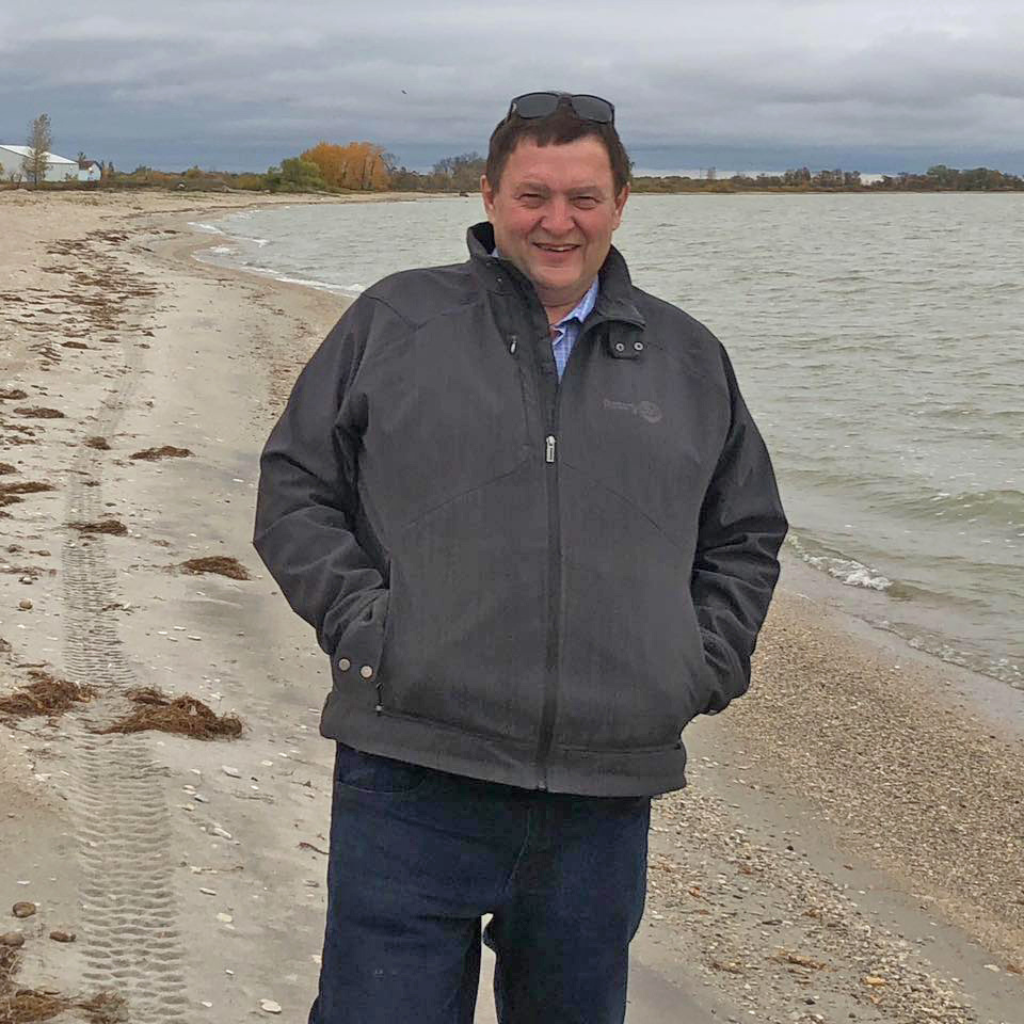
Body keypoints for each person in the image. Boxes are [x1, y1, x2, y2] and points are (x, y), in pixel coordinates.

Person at [253, 90, 788, 1024]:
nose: (558, 222)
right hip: (411, 769)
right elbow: (297, 487)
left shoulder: (687, 357)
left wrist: (697, 666)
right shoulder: (396, 320)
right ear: (491, 196)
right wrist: (367, 628)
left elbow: (745, 533)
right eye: (534, 195)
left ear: (622, 203)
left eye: (584, 198)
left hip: (601, 794)